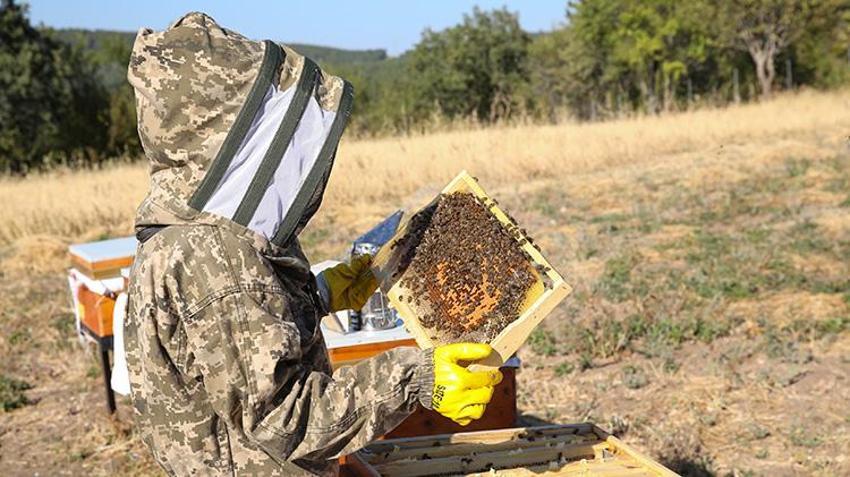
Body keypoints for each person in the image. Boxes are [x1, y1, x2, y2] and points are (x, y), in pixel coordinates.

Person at [124, 12, 502, 476]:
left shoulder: (178, 235)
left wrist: (315, 296)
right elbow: (285, 419)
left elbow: (228, 351)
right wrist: (415, 378)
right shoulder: (214, 255)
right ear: (233, 136)